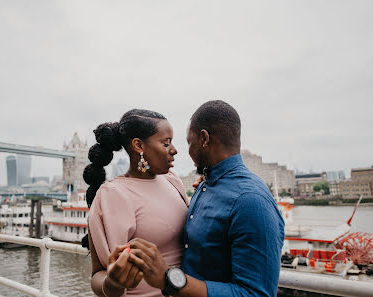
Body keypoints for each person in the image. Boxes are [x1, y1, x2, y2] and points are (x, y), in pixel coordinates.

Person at [127, 100, 285, 297]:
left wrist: (169, 278)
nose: (183, 151)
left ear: (204, 139)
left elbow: (256, 294)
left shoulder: (250, 200)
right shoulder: (206, 185)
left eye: (189, 142)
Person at [84, 109, 189, 297]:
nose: (174, 150)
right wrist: (112, 285)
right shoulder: (113, 194)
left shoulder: (172, 181)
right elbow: (98, 273)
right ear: (138, 145)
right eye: (166, 143)